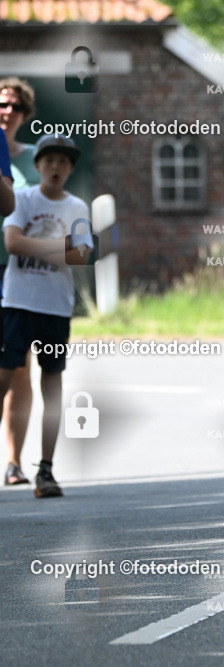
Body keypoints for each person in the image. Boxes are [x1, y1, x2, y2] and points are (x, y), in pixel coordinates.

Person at [1, 134, 91, 497]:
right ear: (37, 165)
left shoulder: (77, 207)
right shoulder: (22, 199)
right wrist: (62, 246)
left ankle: (46, 469)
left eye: (64, 162)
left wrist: (39, 246)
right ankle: (12, 461)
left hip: (55, 307)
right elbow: (13, 243)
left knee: (52, 385)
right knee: (4, 378)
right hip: (18, 303)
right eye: (49, 160)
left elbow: (81, 255)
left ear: (71, 169)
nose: (56, 167)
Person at [0, 77, 39, 487]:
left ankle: (14, 461)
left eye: (15, 106)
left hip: (20, 269)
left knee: (20, 366)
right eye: (2, 103)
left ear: (25, 114)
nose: (7, 111)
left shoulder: (35, 159)